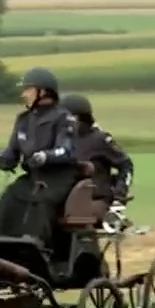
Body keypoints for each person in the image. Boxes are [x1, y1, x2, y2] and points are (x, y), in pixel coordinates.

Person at [0, 67, 78, 255]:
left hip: (59, 179)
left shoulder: (64, 118)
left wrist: (46, 156)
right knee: (9, 197)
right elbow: (12, 153)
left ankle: (40, 248)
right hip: (33, 177)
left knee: (40, 200)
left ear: (43, 92)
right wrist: (1, 159)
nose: (23, 94)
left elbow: (67, 150)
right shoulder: (23, 120)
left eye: (27, 89)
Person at [59, 93, 133, 226]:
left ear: (78, 117)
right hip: (64, 200)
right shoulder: (62, 140)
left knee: (74, 216)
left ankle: (86, 247)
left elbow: (125, 165)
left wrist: (119, 198)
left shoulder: (99, 139)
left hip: (94, 200)